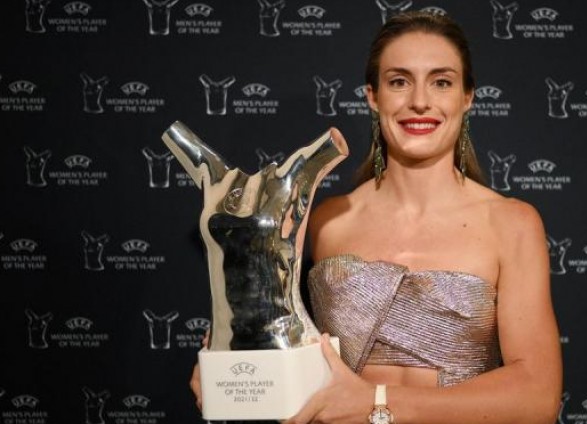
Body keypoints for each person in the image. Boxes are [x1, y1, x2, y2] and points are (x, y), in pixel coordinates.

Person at [191, 11, 562, 424]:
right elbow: (288, 344)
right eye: (399, 81)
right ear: (373, 96)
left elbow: (538, 396)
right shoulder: (326, 221)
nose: (419, 101)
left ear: (467, 97)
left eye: (441, 82)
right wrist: (233, 370)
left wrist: (375, 401)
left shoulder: (511, 224)